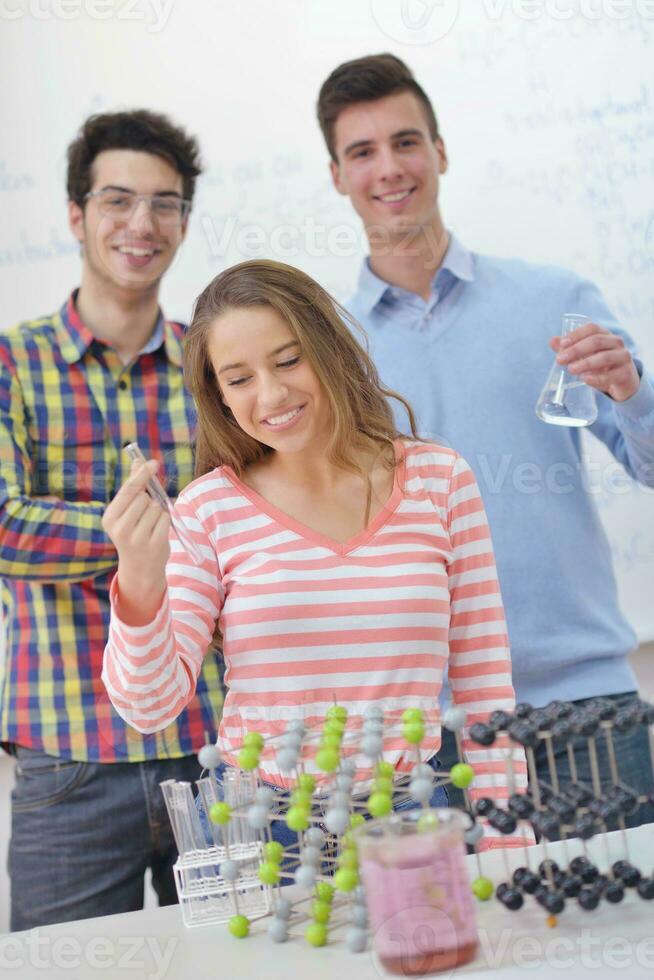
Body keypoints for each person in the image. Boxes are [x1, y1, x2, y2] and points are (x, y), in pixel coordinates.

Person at [316, 53, 654, 822]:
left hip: (585, 704)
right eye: (362, 152)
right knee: (467, 944)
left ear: (440, 151)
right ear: (337, 175)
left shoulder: (554, 299)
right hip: (429, 731)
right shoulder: (326, 352)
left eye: (406, 142)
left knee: (636, 939)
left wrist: (634, 393)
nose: (389, 168)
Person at [101, 258, 529, 850]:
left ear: (329, 349)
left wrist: (511, 840)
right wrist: (141, 580)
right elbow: (149, 708)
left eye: (288, 360)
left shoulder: (440, 478)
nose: (272, 394)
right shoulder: (207, 510)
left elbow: (484, 685)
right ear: (218, 396)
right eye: (239, 378)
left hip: (414, 810)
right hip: (263, 823)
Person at [0, 110, 223, 930]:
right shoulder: (10, 364)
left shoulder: (214, 366)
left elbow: (252, 526)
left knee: (251, 962)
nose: (142, 224)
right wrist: (137, 537)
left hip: (212, 746)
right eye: (118, 200)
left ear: (184, 223)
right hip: (69, 757)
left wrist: (162, 543)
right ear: (76, 214)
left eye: (165, 204)